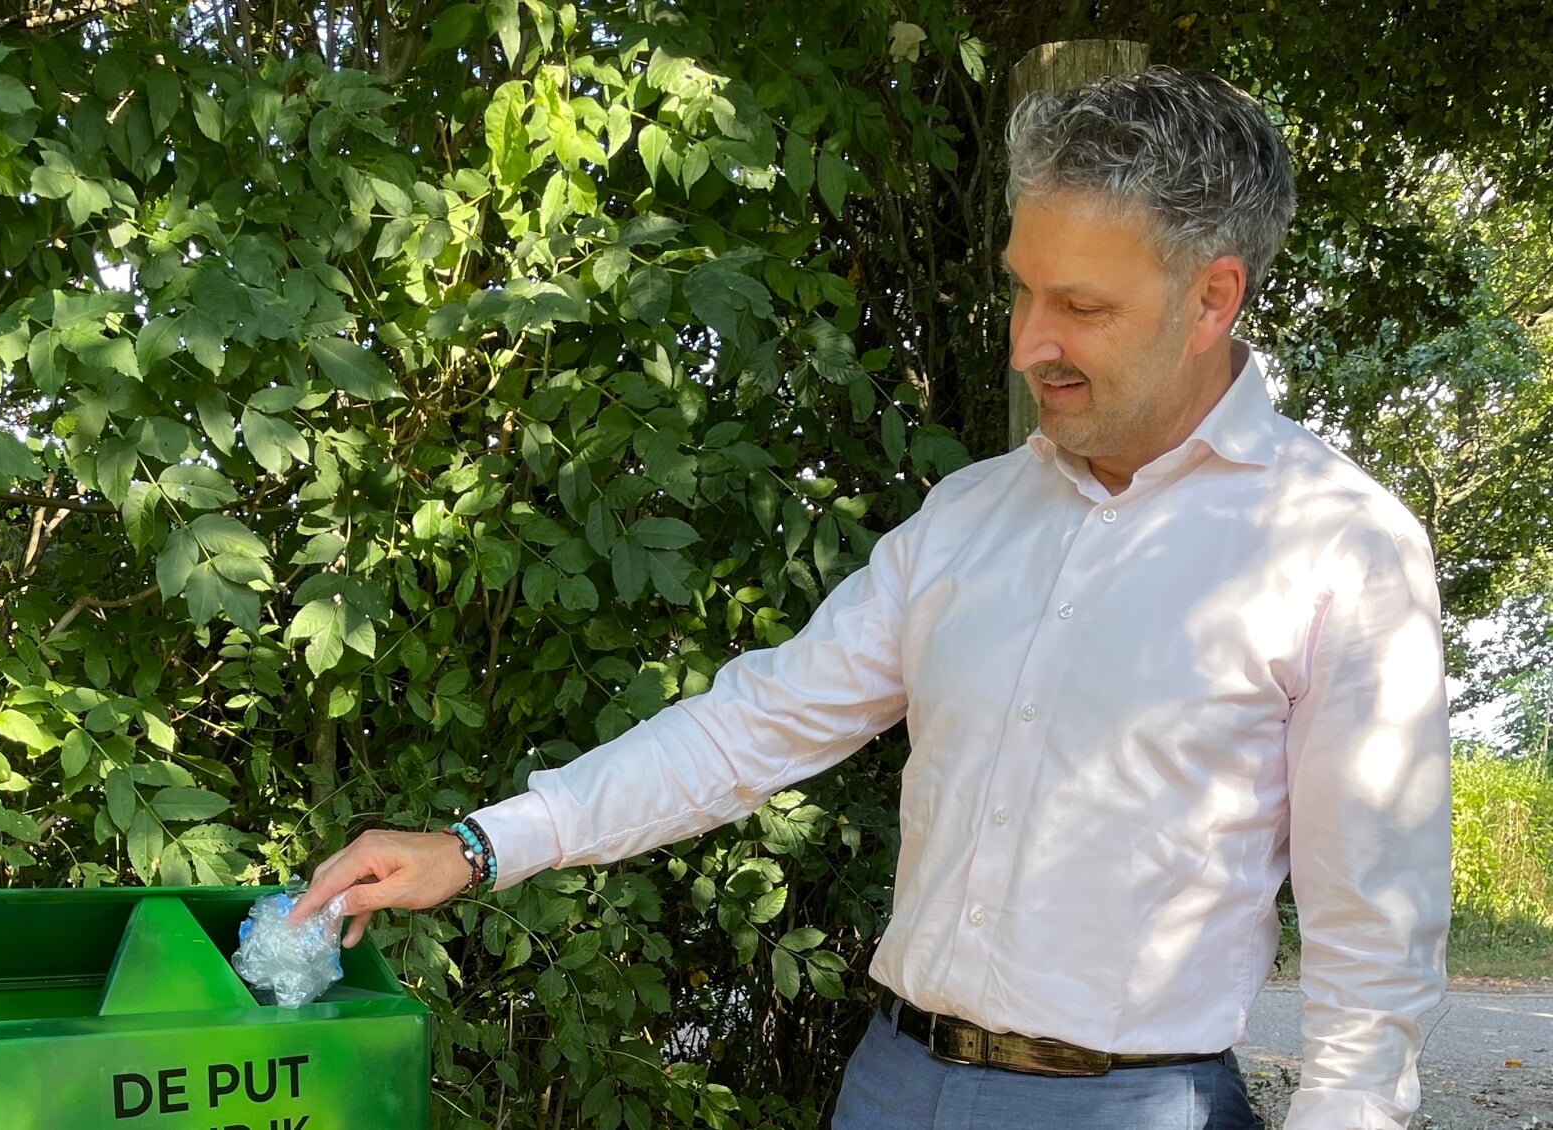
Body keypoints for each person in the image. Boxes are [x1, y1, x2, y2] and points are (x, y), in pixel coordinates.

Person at [291, 68, 1451, 1130]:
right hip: (890, 1084)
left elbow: (1373, 965)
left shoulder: (1342, 549)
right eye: (1021, 292)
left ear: (1213, 300)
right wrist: (480, 845)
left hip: (1134, 1104)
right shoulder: (970, 515)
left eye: (1081, 308)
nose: (1026, 345)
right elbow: (756, 722)